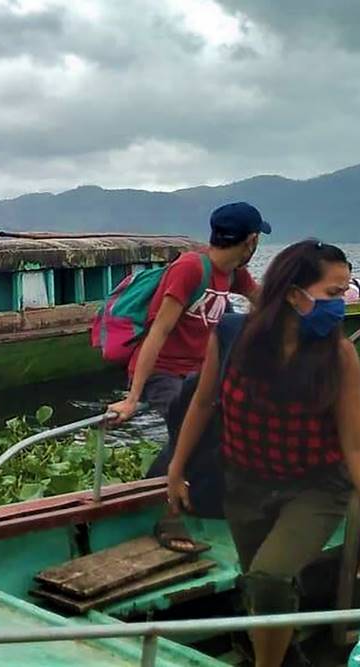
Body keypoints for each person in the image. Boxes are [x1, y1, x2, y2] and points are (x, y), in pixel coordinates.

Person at [167, 240, 360, 667]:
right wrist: (176, 467)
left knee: (269, 577)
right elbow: (204, 403)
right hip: (245, 483)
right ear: (294, 294)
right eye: (332, 294)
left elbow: (357, 445)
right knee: (260, 589)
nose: (340, 305)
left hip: (316, 488)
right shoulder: (230, 337)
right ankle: (290, 657)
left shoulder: (338, 357)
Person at [108, 202, 265, 552]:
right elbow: (159, 331)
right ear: (251, 241)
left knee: (218, 421)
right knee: (187, 428)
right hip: (162, 371)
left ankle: (201, 496)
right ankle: (161, 510)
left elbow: (263, 302)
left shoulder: (234, 274)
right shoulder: (192, 268)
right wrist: (133, 398)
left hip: (196, 372)